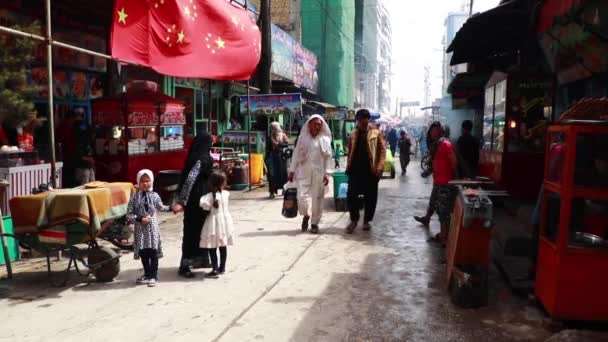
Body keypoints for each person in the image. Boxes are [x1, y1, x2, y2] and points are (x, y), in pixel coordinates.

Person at [173, 132, 214, 278]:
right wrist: (182, 201)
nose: (212, 145)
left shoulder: (202, 157)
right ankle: (185, 265)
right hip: (195, 201)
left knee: (203, 231)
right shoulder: (200, 159)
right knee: (191, 232)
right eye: (210, 142)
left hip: (203, 200)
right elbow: (190, 179)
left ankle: (201, 259)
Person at [288, 114, 333, 234]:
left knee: (317, 200)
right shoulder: (302, 138)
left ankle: (314, 224)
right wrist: (292, 170)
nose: (317, 127)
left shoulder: (325, 140)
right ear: (309, 125)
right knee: (301, 197)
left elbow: (328, 158)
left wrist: (327, 173)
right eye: (315, 124)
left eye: (320, 125)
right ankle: (306, 215)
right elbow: (296, 154)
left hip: (319, 174)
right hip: (303, 172)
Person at [414, 122, 457, 245]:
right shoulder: (436, 145)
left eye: (435, 130)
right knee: (434, 203)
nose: (433, 133)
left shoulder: (445, 144)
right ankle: (427, 220)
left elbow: (454, 162)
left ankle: (444, 238)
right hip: (438, 182)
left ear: (440, 131)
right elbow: (436, 163)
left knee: (443, 212)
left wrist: (452, 179)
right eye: (432, 130)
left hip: (445, 184)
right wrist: (430, 172)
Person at [127, 170, 172, 287]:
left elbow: (161, 207)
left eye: (147, 181)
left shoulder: (155, 196)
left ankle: (154, 276)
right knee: (143, 253)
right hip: (140, 231)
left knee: (153, 252)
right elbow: (129, 215)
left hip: (152, 230)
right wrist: (140, 219)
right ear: (138, 182)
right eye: (142, 181)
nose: (145, 183)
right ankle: (147, 274)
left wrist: (173, 208)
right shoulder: (134, 198)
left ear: (151, 181)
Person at [345, 109, 387, 234]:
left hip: (371, 171)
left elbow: (382, 152)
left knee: (371, 198)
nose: (363, 121)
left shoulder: (376, 133)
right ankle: (354, 220)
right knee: (351, 196)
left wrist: (379, 167)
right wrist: (348, 166)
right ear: (357, 120)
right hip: (355, 171)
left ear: (369, 119)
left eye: (365, 118)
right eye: (360, 119)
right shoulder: (353, 134)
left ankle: (366, 221)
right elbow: (350, 152)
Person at [199, 171, 234, 277]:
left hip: (213, 224)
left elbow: (204, 209)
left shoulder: (207, 197)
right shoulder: (226, 194)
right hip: (224, 222)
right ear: (223, 183)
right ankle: (222, 268)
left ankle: (214, 269)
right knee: (223, 246)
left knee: (212, 247)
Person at [267, 122, 289, 198]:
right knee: (272, 175)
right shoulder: (269, 137)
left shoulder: (283, 135)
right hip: (273, 158)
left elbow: (287, 144)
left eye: (274, 128)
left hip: (281, 158)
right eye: (272, 128)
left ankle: (284, 189)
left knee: (283, 174)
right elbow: (267, 148)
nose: (273, 129)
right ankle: (272, 192)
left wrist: (279, 144)